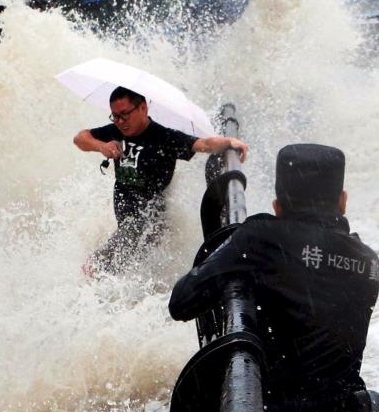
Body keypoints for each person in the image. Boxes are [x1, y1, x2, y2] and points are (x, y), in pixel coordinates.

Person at [167, 143, 379, 412]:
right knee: (375, 408)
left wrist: (237, 252)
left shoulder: (262, 238)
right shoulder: (369, 262)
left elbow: (183, 301)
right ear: (342, 201)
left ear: (277, 205)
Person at [73, 86, 249, 276]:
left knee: (93, 267)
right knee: (118, 269)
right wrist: (101, 146)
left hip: (148, 220)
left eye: (125, 115)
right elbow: (80, 138)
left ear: (143, 108)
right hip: (126, 221)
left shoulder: (164, 138)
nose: (120, 122)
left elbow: (203, 144)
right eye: (114, 116)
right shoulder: (115, 131)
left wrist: (230, 142)